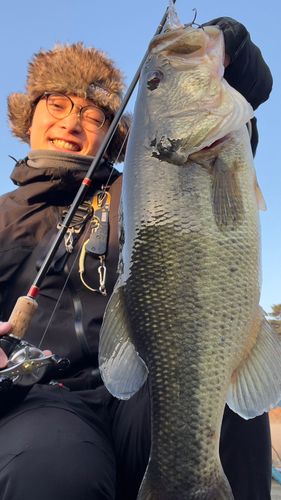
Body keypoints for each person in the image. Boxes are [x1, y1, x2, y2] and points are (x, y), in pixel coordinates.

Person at [0, 17, 273, 500]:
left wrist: (230, 45)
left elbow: (248, 92)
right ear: (29, 118)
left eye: (92, 114)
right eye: (57, 105)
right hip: (42, 397)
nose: (71, 122)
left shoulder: (142, 185)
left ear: (114, 131)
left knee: (224, 412)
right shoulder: (3, 217)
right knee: (50, 469)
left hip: (149, 380)